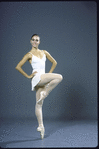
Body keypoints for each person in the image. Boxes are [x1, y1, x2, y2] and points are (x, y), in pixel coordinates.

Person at [15, 34, 63, 139]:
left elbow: (54, 62)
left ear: (39, 42)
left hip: (43, 78)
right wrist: (28, 76)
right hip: (37, 78)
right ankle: (45, 92)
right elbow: (18, 66)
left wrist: (48, 75)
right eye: (33, 40)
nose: (35, 41)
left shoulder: (44, 52)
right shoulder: (29, 54)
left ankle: (41, 127)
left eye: (37, 40)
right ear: (30, 41)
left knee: (39, 104)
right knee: (59, 77)